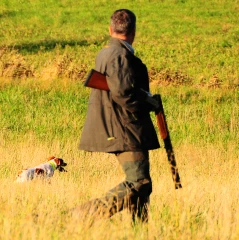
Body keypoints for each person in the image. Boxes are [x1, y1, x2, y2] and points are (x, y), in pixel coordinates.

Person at [77, 9, 160, 223]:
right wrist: (147, 102)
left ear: (110, 29)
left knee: (141, 185)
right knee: (139, 181)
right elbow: (123, 94)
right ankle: (82, 216)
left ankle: (140, 231)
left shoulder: (106, 52)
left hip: (121, 126)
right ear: (133, 30)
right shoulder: (120, 55)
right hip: (126, 128)